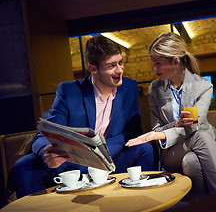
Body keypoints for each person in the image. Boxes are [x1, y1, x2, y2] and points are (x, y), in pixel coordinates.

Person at [12, 34, 154, 198]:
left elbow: (133, 132)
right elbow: (43, 135)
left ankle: (143, 201)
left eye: (120, 63)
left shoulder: (129, 87)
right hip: (74, 160)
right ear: (93, 69)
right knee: (23, 165)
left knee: (144, 148)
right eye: (112, 66)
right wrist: (46, 152)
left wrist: (100, 151)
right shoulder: (69, 91)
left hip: (113, 158)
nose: (120, 70)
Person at [126, 32, 216, 201]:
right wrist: (173, 125)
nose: (154, 69)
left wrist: (161, 134)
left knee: (192, 161)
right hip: (173, 151)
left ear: (176, 61)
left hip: (208, 147)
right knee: (201, 136)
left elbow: (193, 126)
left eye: (158, 64)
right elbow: (158, 129)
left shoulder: (203, 86)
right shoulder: (155, 89)